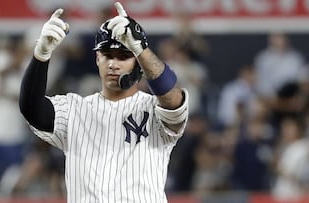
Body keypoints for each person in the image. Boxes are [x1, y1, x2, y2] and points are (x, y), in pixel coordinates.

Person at [19, 2, 189, 203]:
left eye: (124, 56)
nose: (113, 64)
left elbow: (173, 101)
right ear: (97, 59)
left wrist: (141, 50)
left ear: (138, 63)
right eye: (107, 55)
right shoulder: (74, 108)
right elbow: (32, 110)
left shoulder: (154, 109)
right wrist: (41, 55)